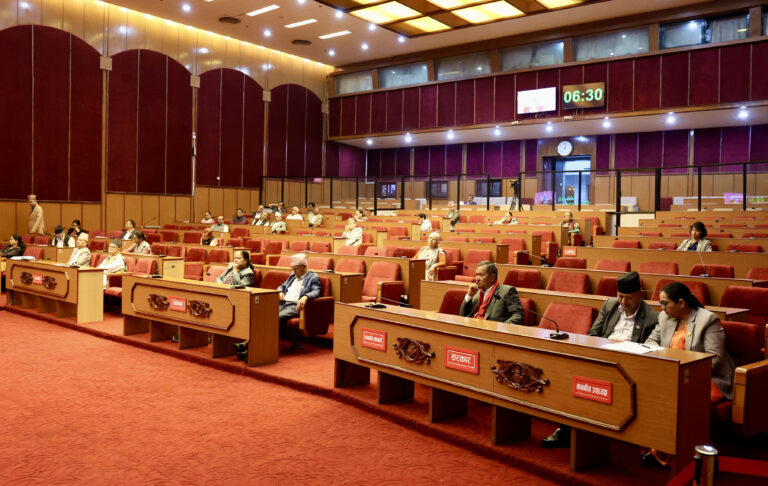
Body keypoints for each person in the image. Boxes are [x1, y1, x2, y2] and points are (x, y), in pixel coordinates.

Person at [541, 271, 660, 449]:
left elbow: (647, 351)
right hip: (602, 356)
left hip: (626, 366)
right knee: (572, 374)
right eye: (620, 296)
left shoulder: (652, 317)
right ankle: (566, 429)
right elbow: (593, 333)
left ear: (640, 295)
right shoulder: (610, 305)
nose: (623, 302)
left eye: (628, 298)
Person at [641, 281, 735, 469]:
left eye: (665, 303)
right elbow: (651, 341)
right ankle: (658, 446)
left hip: (706, 378)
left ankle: (670, 453)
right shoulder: (665, 318)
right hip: (672, 374)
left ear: (681, 302)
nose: (661, 308)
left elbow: (714, 359)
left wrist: (683, 373)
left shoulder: (708, 320)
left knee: (677, 399)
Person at [233, 253, 321, 358]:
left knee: (273, 318)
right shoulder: (293, 275)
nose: (293, 271)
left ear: (304, 266)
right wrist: (280, 292)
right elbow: (281, 286)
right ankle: (250, 346)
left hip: (295, 306)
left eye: (296, 268)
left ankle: (251, 348)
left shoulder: (313, 277)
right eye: (292, 268)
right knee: (263, 315)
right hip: (283, 303)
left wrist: (306, 296)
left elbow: (316, 291)